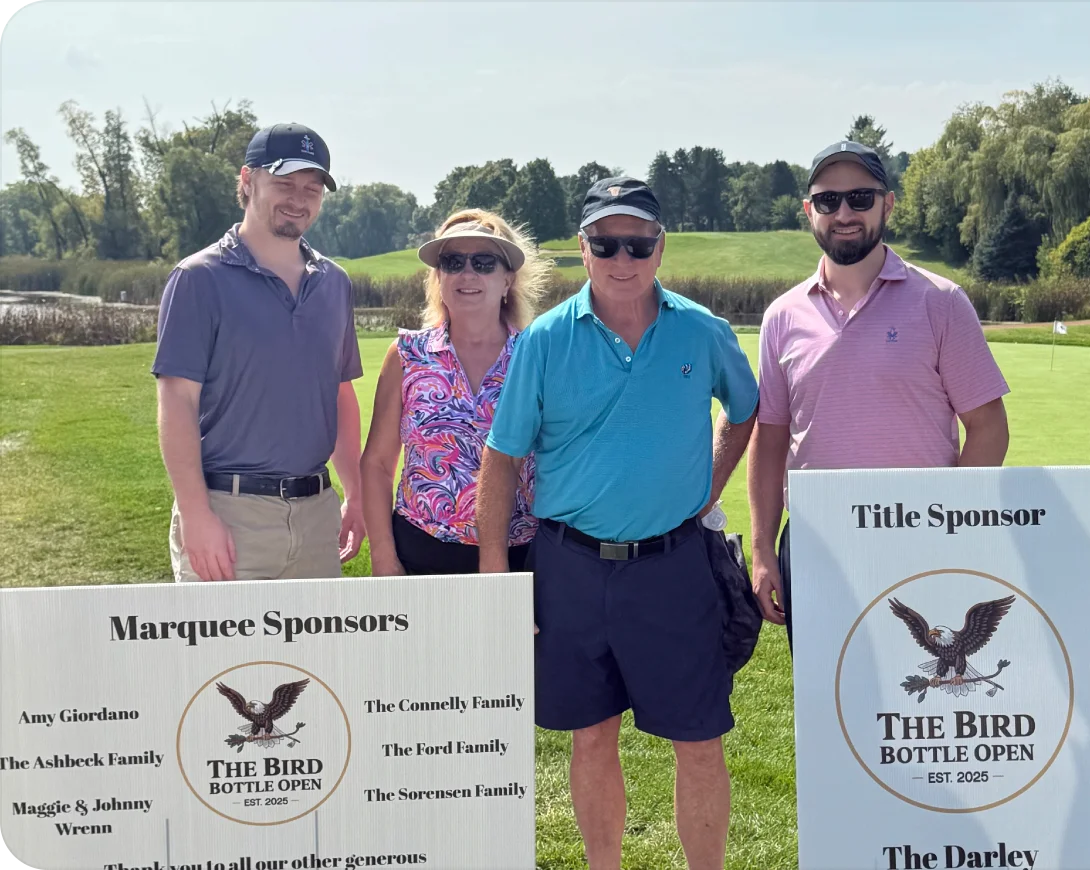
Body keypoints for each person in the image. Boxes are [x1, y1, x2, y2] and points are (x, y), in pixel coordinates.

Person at [476, 177, 759, 870]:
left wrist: (708, 487)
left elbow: (745, 410)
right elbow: (503, 458)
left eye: (637, 243)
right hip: (570, 567)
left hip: (675, 566)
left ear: (659, 247)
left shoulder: (702, 330)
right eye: (607, 243)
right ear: (584, 248)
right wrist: (493, 570)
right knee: (592, 735)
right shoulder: (543, 341)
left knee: (699, 739)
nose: (622, 258)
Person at [748, 140, 1011, 650]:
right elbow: (772, 436)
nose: (844, 213)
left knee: (913, 707)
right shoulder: (782, 315)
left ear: (887, 204)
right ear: (810, 212)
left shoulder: (941, 301)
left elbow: (989, 428)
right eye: (828, 201)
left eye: (860, 198)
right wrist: (762, 549)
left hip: (919, 541)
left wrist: (947, 526)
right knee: (830, 712)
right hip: (815, 545)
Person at [152, 123, 366, 582]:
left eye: (312, 188)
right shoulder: (198, 279)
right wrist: (196, 513)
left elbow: (339, 394)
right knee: (224, 657)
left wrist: (356, 494)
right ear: (247, 182)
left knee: (314, 656)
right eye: (284, 183)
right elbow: (177, 402)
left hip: (316, 517)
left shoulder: (334, 284)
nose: (299, 198)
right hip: (228, 516)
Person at [359, 210, 548, 576]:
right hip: (420, 551)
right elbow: (377, 464)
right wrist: (383, 557)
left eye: (483, 262)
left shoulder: (537, 357)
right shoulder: (407, 356)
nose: (467, 274)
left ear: (508, 279)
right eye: (452, 262)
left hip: (520, 558)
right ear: (438, 277)